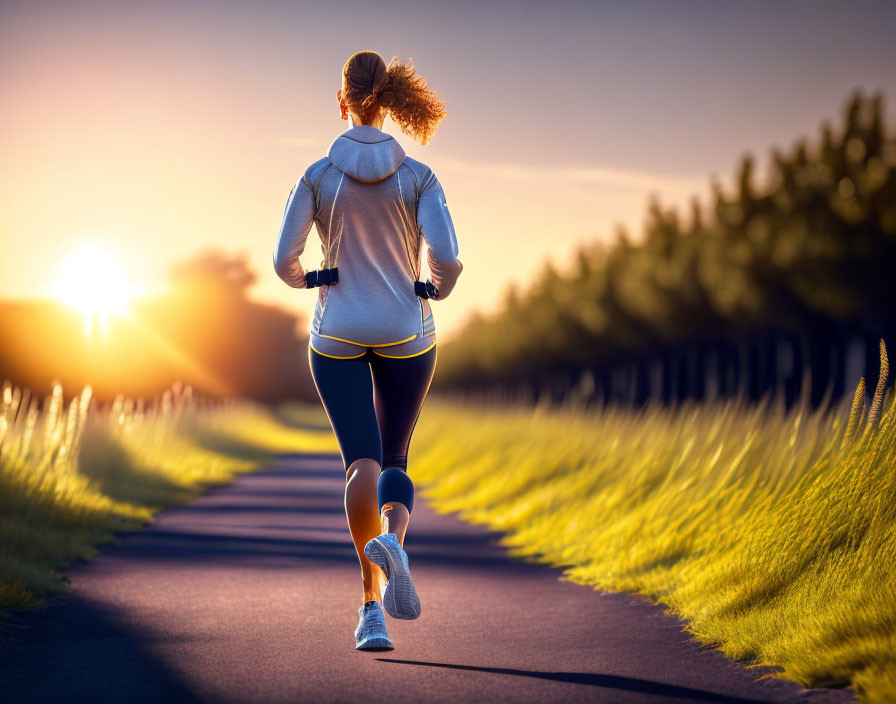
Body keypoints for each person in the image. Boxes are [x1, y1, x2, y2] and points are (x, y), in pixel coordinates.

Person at [273, 50, 463, 651]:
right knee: (397, 458)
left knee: (362, 462)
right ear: (390, 102)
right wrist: (435, 287)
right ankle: (397, 546)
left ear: (343, 100)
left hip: (338, 336)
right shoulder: (419, 176)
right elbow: (449, 257)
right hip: (408, 332)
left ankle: (369, 609)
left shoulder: (318, 175)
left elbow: (284, 261)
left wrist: (315, 281)